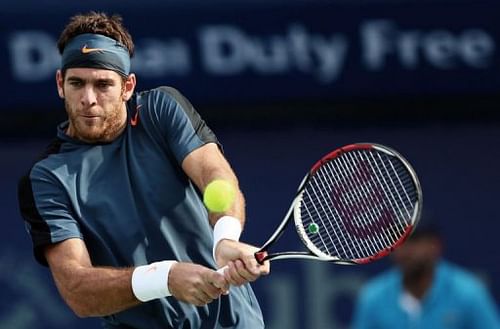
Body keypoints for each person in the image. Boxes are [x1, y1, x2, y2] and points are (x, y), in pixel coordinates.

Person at [17, 12, 269, 329]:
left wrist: (226, 238)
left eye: (103, 84)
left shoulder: (161, 111)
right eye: (77, 83)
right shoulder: (45, 178)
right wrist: (164, 278)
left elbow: (214, 175)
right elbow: (77, 289)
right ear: (60, 84)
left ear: (127, 87)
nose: (88, 99)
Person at [352, 220, 500, 329]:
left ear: (435, 246)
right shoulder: (372, 297)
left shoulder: (468, 293)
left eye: (413, 240)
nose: (404, 250)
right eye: (396, 241)